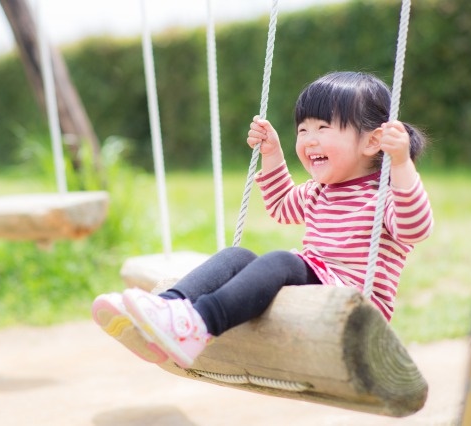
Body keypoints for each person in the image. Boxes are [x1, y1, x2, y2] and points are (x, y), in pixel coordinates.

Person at [92, 71, 434, 369]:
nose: (309, 138)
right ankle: (164, 310)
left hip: (353, 305)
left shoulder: (385, 196)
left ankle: (199, 324)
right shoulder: (320, 191)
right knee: (236, 256)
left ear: (373, 140)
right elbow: (282, 206)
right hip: (318, 284)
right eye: (302, 129)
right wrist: (273, 154)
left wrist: (401, 163)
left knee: (282, 261)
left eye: (323, 127)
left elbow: (415, 227)